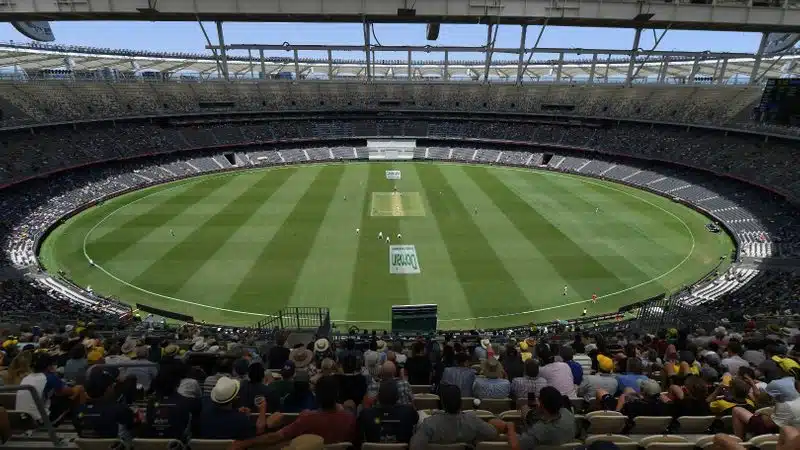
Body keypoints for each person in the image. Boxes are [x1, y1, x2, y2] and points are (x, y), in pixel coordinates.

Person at [234, 376, 357, 447]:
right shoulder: (350, 418)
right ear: (337, 395)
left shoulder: (307, 418)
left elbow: (276, 437)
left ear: (317, 396)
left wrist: (244, 443)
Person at [410, 384, 503, 449]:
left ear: (442, 404)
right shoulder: (473, 420)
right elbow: (493, 433)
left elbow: (414, 447)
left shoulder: (429, 423)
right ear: (461, 402)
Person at [72, 367, 134, 440]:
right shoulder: (120, 410)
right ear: (108, 389)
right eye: (112, 385)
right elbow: (132, 425)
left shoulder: (77, 411)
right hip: (113, 444)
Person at [16, 353, 79, 423]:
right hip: (41, 420)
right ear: (49, 366)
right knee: (79, 389)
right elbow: (69, 391)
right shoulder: (49, 377)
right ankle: (81, 421)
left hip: (23, 419)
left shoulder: (26, 378)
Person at [507, 386, 576, 450]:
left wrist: (510, 427)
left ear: (541, 404)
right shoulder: (568, 414)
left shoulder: (539, 430)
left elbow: (515, 446)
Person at [197, 377, 261, 440]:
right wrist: (245, 418)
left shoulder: (204, 416)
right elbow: (251, 440)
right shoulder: (241, 421)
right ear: (234, 398)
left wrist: (236, 412)